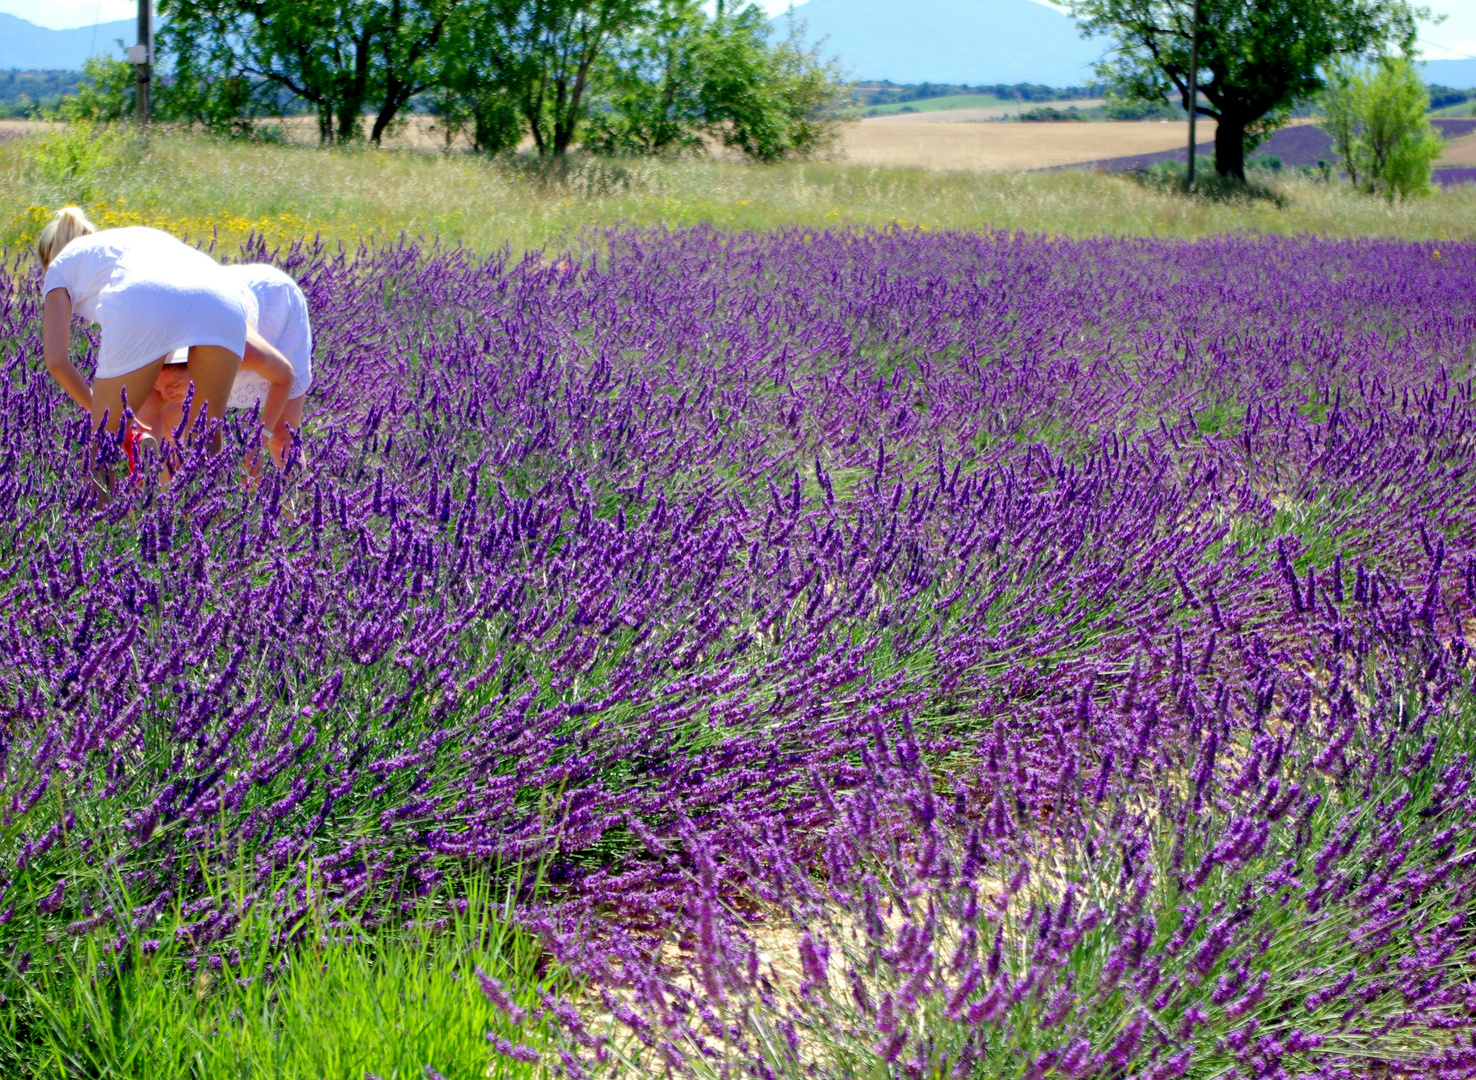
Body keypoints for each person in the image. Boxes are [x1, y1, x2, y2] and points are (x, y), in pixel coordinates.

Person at [36, 207, 294, 492]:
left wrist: (108, 418)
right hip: (224, 294)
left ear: (47, 260)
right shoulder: (129, 241)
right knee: (206, 440)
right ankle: (210, 531)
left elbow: (57, 360)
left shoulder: (59, 268)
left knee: (102, 447)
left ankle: (96, 533)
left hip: (148, 293)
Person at [135, 262, 312, 470]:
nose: (164, 395)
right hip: (214, 302)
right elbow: (148, 435)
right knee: (173, 435)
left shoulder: (238, 347)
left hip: (274, 305)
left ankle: (298, 501)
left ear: (194, 366)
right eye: (158, 386)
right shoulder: (155, 353)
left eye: (172, 386)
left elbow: (285, 377)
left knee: (284, 436)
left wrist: (260, 440)